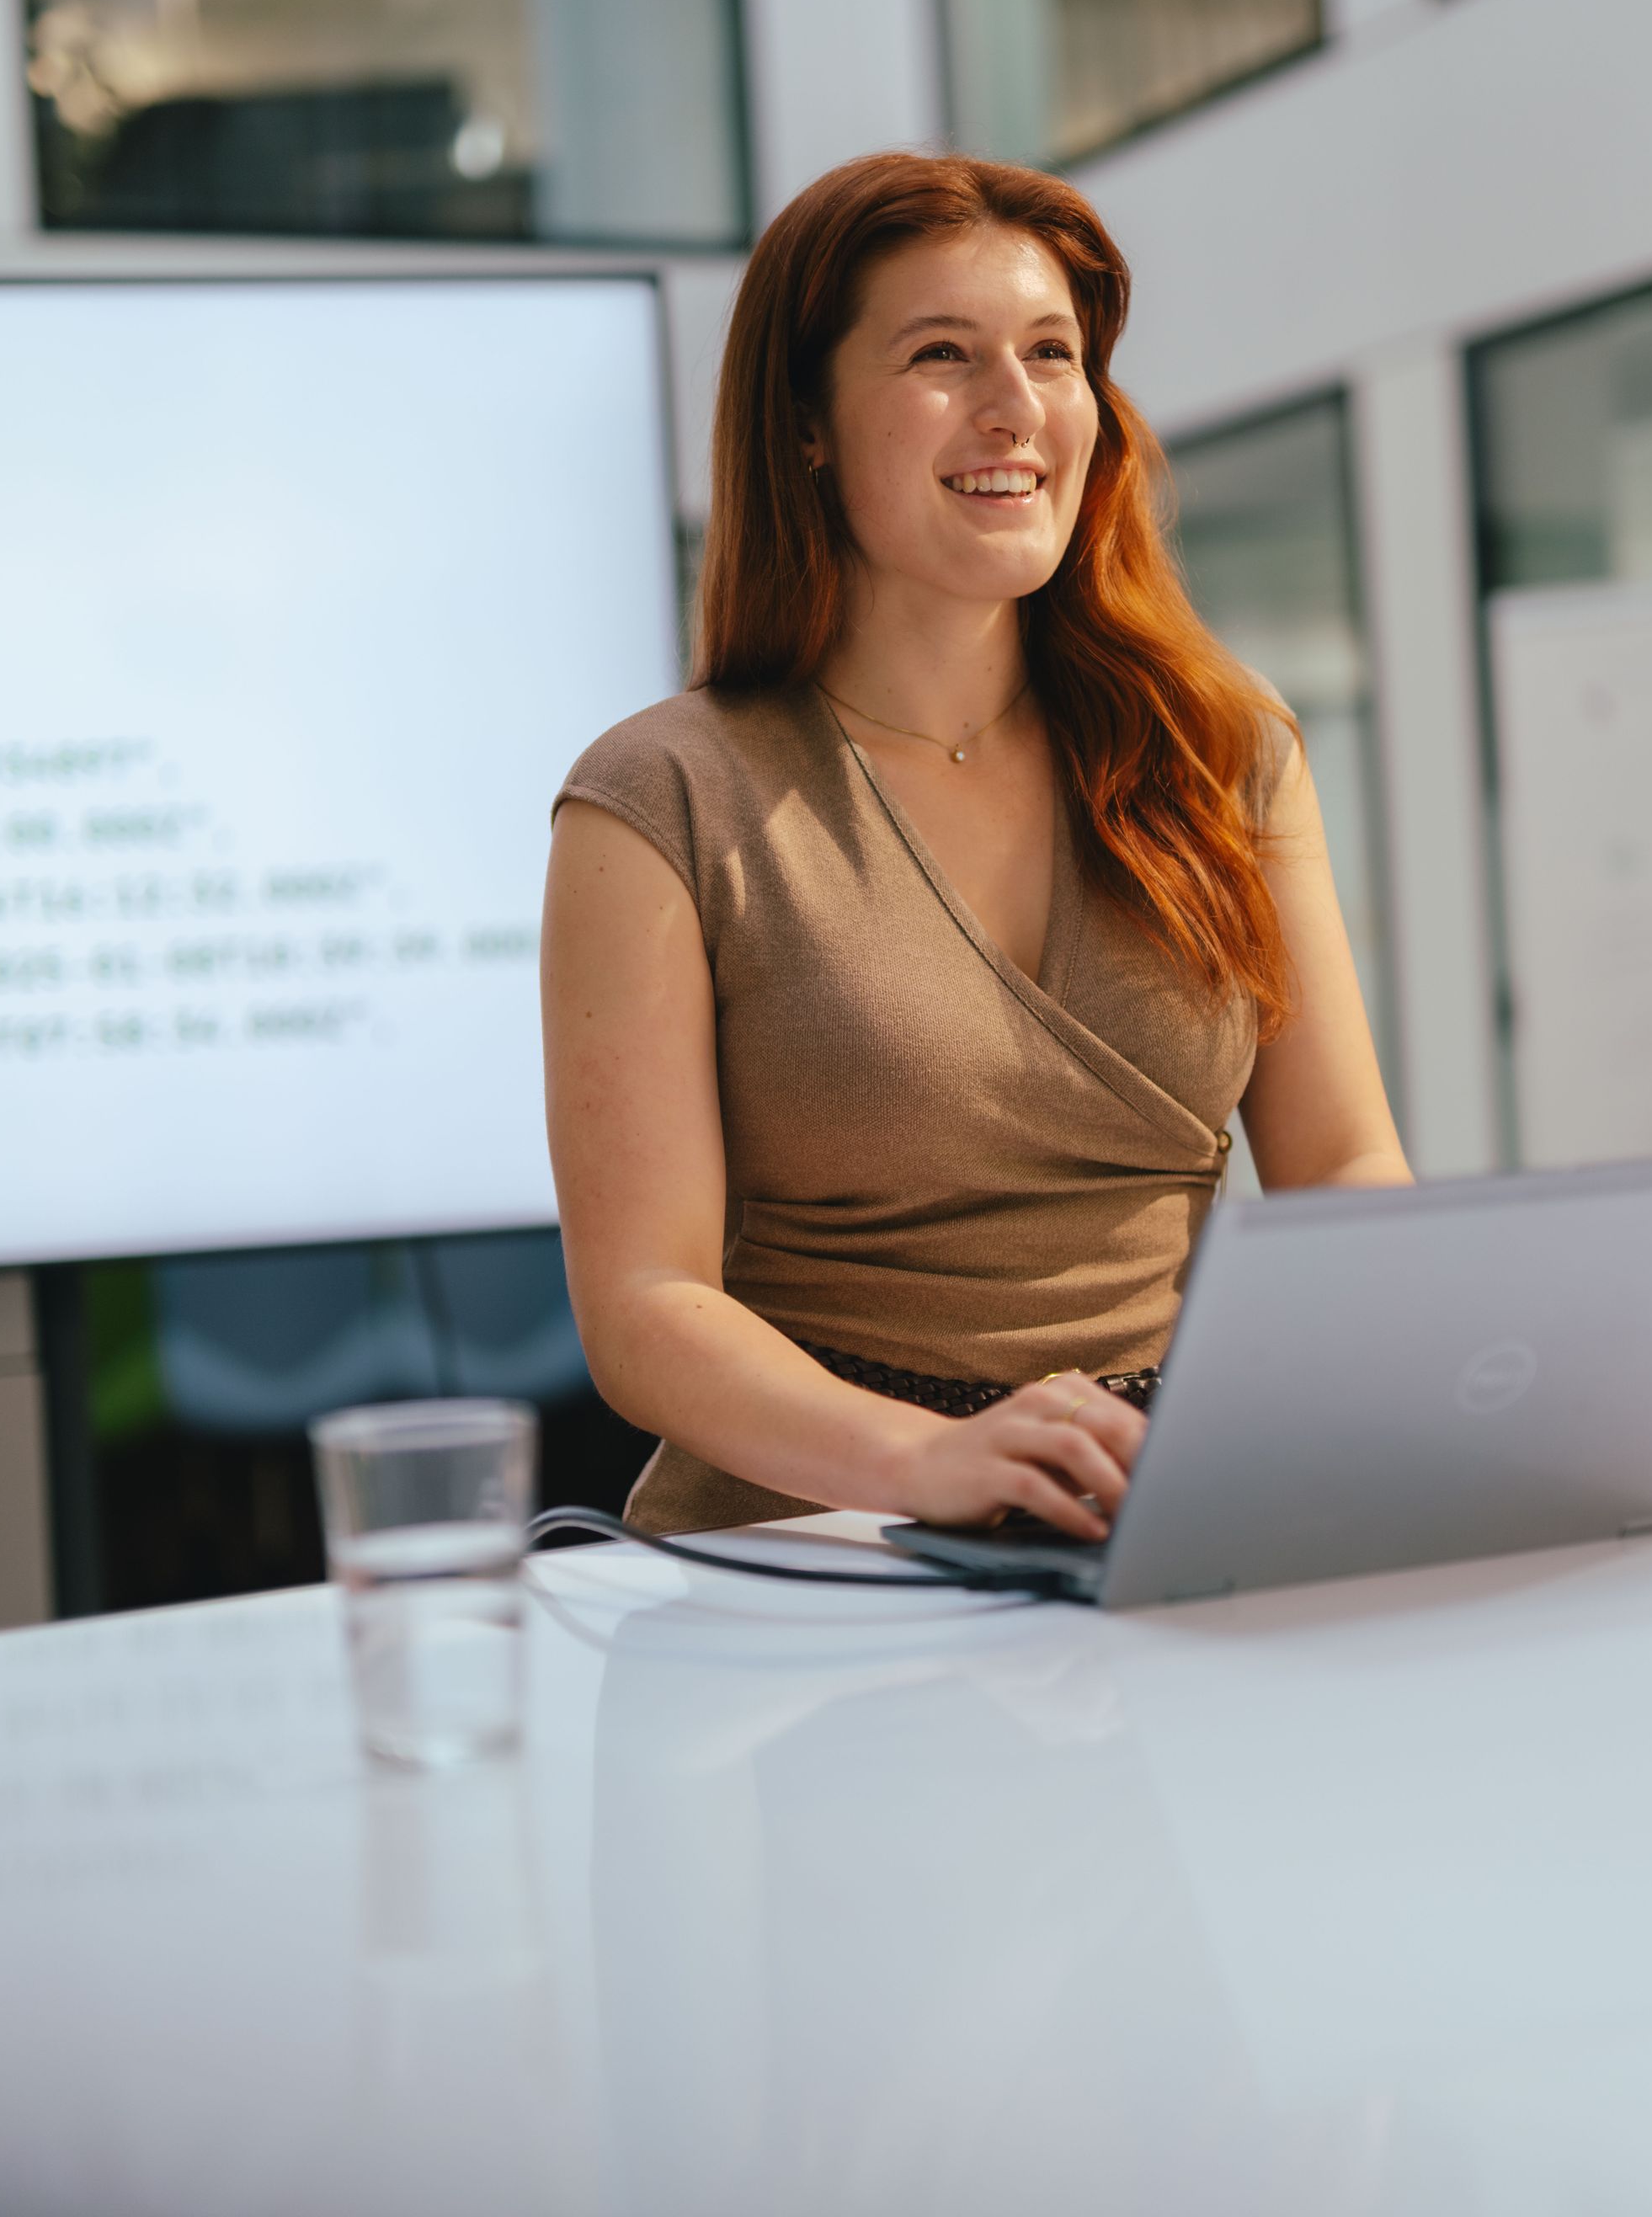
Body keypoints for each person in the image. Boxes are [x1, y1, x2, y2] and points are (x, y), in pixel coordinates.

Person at [544, 152, 1410, 1539]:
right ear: (808, 422)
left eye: (1054, 355)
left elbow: (1348, 1167)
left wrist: (1450, 1375)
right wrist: (919, 1464)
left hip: (1152, 1514)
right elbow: (647, 1307)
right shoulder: (660, 796)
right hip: (807, 1545)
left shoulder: (1228, 756)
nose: (1016, 410)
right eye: (943, 355)